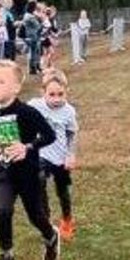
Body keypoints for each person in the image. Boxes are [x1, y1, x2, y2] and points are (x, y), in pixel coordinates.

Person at [0, 56, 59, 260]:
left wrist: (27, 147)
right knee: (3, 211)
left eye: (1, 82)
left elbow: (49, 135)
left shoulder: (27, 112)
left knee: (35, 216)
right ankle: (7, 256)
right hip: (5, 170)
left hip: (28, 173)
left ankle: (51, 236)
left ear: (16, 87)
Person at [37, 70, 79, 240]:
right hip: (42, 153)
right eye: (52, 95)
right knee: (39, 179)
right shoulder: (35, 106)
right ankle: (46, 220)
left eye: (60, 94)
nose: (56, 99)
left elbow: (72, 134)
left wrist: (71, 154)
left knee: (62, 190)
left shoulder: (68, 111)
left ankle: (67, 219)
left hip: (61, 157)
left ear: (66, 91)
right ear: (43, 92)